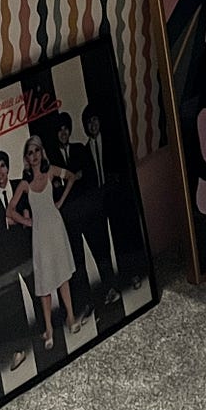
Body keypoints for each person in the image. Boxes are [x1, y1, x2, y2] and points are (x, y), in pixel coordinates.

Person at [6, 135, 80, 351]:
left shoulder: (51, 172)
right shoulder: (25, 184)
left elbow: (71, 177)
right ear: (26, 159)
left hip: (56, 229)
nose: (34, 155)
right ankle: (49, 329)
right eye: (30, 153)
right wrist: (27, 222)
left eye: (37, 150)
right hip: (40, 236)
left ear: (42, 152)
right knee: (45, 281)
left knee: (62, 275)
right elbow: (10, 210)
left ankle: (71, 317)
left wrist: (60, 202)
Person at [55, 113, 116, 319]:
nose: (63, 133)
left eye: (66, 129)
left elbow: (88, 177)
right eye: (59, 130)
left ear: (70, 130)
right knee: (78, 263)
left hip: (88, 211)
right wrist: (74, 177)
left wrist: (68, 181)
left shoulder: (80, 149)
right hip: (70, 218)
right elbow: (56, 188)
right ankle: (87, 302)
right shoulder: (52, 160)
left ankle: (110, 289)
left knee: (100, 250)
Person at [84, 104, 147, 293]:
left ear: (100, 121)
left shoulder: (112, 142)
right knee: (103, 243)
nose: (93, 125)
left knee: (123, 237)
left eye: (95, 120)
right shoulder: (85, 150)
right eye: (89, 122)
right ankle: (115, 281)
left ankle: (133, 274)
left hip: (117, 197)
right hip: (99, 201)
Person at [0, 150, 32, 373]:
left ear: (8, 168)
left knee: (38, 288)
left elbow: (30, 213)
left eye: (2, 166)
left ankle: (46, 331)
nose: (0, 172)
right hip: (5, 255)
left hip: (27, 248)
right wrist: (8, 221)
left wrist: (17, 218)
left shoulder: (20, 185)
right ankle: (19, 349)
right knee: (12, 300)